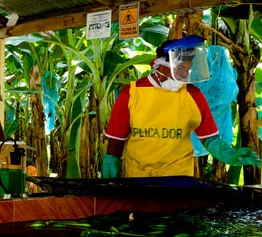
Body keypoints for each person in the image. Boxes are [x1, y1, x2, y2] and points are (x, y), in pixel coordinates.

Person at [102, 35, 260, 178]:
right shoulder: (131, 93)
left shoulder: (194, 95)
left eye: (188, 69)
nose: (185, 74)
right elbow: (116, 143)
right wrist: (109, 178)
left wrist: (229, 154)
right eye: (181, 69)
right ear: (161, 65)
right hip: (139, 177)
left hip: (179, 179)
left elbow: (210, 139)